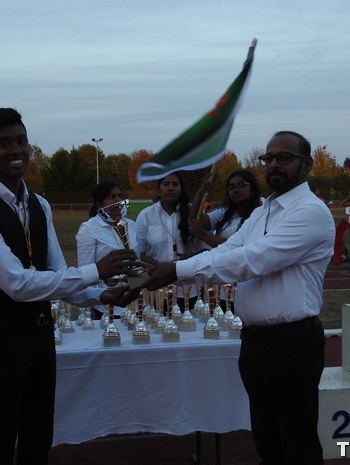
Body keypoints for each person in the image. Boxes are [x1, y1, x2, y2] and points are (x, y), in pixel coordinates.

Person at [0, 107, 139, 465]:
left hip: (40, 335)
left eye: (21, 141)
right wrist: (97, 272)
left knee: (39, 439)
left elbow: (56, 272)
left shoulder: (38, 203)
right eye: (4, 143)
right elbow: (17, 284)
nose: (16, 150)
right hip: (0, 339)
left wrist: (102, 294)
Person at [143, 131, 334, 464]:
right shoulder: (263, 211)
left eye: (284, 157)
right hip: (255, 342)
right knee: (267, 442)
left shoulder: (310, 212)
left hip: (292, 345)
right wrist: (174, 271)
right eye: (269, 158)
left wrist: (175, 271)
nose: (274, 164)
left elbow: (252, 260)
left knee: (297, 444)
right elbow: (229, 249)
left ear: (307, 165)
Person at [76, 180, 139, 318]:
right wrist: (92, 303)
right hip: (107, 301)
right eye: (112, 197)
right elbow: (86, 270)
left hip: (136, 301)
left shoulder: (132, 225)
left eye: (119, 196)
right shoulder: (88, 229)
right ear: (99, 203)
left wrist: (138, 286)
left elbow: (137, 263)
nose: (117, 200)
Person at [136, 171, 199, 310]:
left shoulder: (192, 213)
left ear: (181, 189)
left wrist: (190, 257)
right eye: (166, 184)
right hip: (157, 288)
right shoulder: (146, 216)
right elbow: (139, 253)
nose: (170, 188)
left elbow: (205, 250)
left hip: (187, 288)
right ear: (159, 189)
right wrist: (160, 266)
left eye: (175, 184)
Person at [189, 169, 262, 249]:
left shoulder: (260, 215)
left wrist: (203, 235)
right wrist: (201, 192)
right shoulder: (225, 212)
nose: (235, 190)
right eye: (231, 187)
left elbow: (239, 247)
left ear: (252, 190)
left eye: (241, 185)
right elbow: (196, 218)